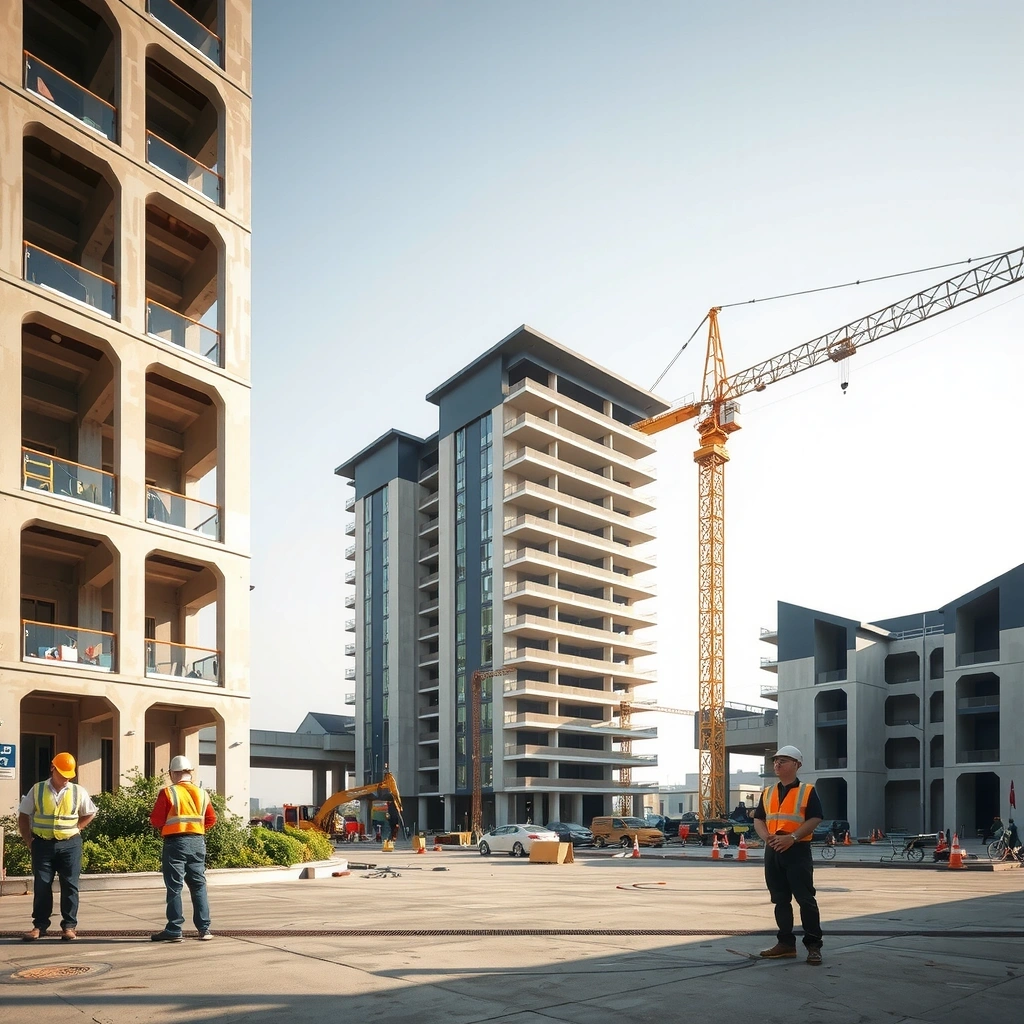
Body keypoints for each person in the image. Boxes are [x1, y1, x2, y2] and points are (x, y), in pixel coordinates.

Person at [753, 745, 825, 966]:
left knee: (805, 899)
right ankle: (785, 944)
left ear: (796, 765)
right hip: (773, 850)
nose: (777, 764)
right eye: (775, 761)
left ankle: (813, 946)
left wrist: (791, 838)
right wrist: (768, 839)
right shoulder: (768, 792)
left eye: (783, 760)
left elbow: (815, 818)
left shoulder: (807, 791)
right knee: (780, 899)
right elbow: (758, 820)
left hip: (797, 851)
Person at [17, 752, 97, 942]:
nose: (66, 779)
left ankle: (69, 926)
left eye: (69, 775)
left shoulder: (78, 791)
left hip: (70, 845)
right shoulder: (37, 790)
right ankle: (40, 926)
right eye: (62, 774)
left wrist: (78, 827)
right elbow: (23, 815)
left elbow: (90, 812)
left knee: (70, 885)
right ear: (53, 769)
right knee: (42, 885)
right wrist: (29, 841)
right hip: (42, 845)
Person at [149, 755, 217, 942]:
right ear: (190, 773)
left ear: (172, 773)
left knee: (175, 887)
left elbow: (156, 820)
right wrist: (196, 829)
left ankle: (174, 929)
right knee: (198, 885)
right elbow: (211, 819)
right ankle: (204, 929)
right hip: (198, 842)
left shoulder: (168, 793)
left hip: (175, 843)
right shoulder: (202, 793)